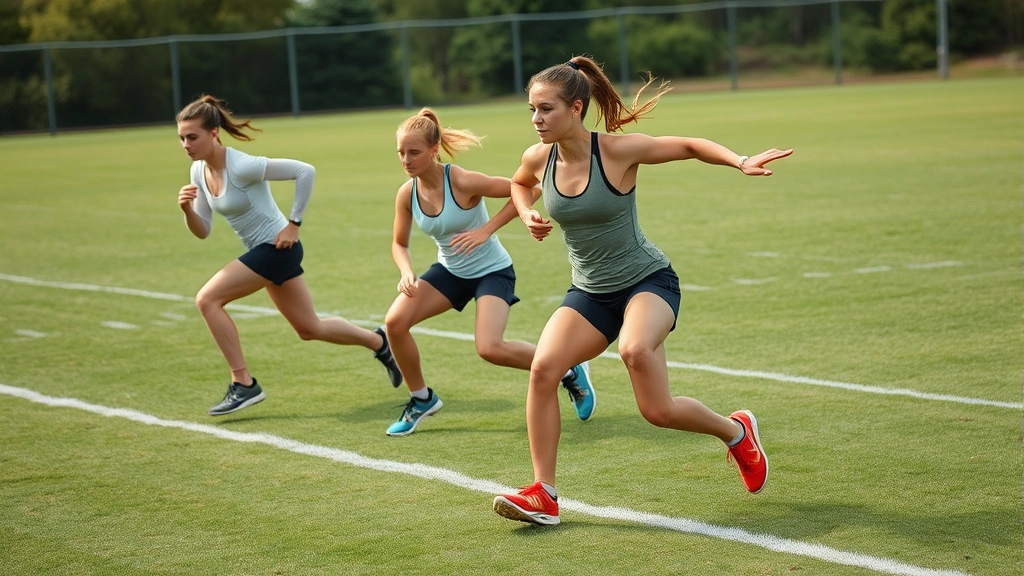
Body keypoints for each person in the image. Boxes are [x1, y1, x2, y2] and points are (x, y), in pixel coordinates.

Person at [492, 57, 793, 525]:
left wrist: (739, 160)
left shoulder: (616, 151)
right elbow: (517, 182)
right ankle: (544, 494)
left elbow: (690, 145)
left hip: (647, 282)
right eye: (532, 109)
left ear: (575, 108)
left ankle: (736, 432)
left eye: (546, 109)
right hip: (590, 293)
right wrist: (527, 210)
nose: (536, 120)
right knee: (544, 370)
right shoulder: (539, 157)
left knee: (641, 369)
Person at [175, 94, 402, 416]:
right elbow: (203, 231)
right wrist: (186, 209)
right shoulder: (198, 172)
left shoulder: (240, 165)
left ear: (213, 133)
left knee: (207, 300)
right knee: (309, 328)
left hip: (277, 249)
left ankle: (244, 383)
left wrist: (294, 224)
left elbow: (304, 171)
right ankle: (380, 342)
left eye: (192, 136)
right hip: (265, 253)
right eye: (182, 138)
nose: (186, 144)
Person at [382, 108, 596, 436]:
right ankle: (422, 399)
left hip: (492, 271)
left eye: (414, 152)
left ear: (433, 150)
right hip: (451, 272)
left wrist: (487, 229)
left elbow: (526, 189)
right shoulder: (406, 193)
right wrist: (406, 271)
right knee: (395, 323)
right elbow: (399, 243)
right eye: (401, 153)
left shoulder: (463, 181)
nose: (406, 160)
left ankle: (568, 370)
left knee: (490, 348)